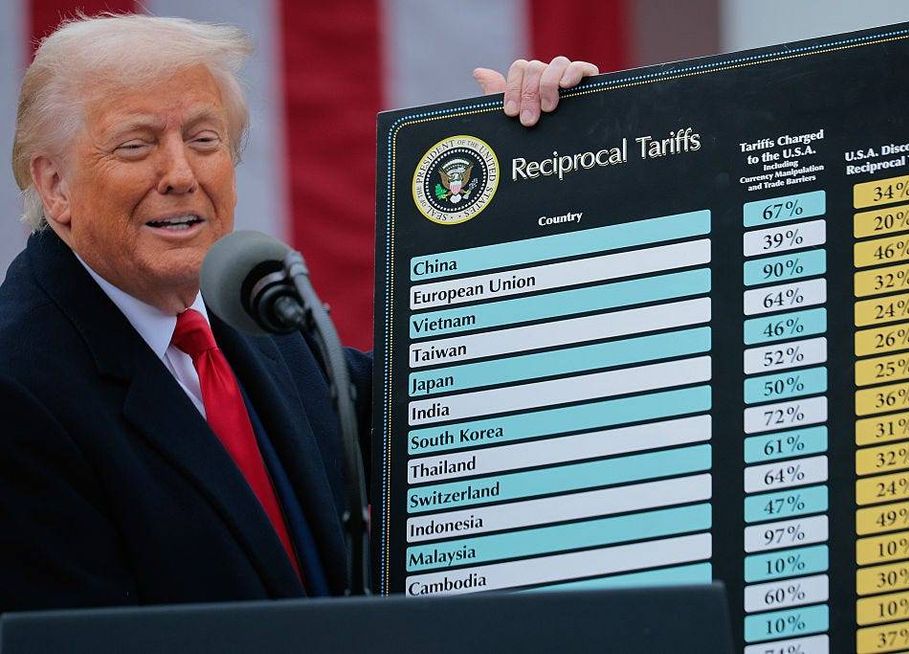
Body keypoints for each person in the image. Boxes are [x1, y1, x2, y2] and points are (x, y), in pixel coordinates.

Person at [0, 14, 597, 612]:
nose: (181, 175)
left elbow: (462, 408)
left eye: (204, 140)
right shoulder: (19, 387)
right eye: (137, 145)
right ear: (55, 186)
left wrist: (539, 172)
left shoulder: (260, 315)